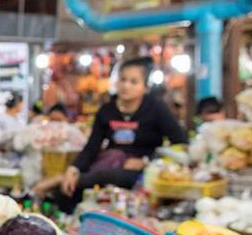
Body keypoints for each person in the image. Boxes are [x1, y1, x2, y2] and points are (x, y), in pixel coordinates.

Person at [56, 57, 187, 212]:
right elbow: (91, 147)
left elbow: (181, 144)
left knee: (113, 178)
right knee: (65, 189)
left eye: (133, 82)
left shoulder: (157, 108)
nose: (126, 86)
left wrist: (147, 161)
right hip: (107, 165)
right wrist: (73, 169)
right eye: (122, 80)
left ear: (145, 87)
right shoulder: (106, 110)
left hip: (142, 172)